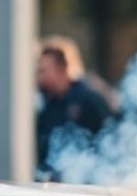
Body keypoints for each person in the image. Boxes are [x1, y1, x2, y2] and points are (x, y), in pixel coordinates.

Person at [35, 36, 112, 175]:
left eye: (44, 70)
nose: (40, 76)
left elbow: (108, 141)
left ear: (62, 68)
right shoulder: (47, 105)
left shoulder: (89, 100)